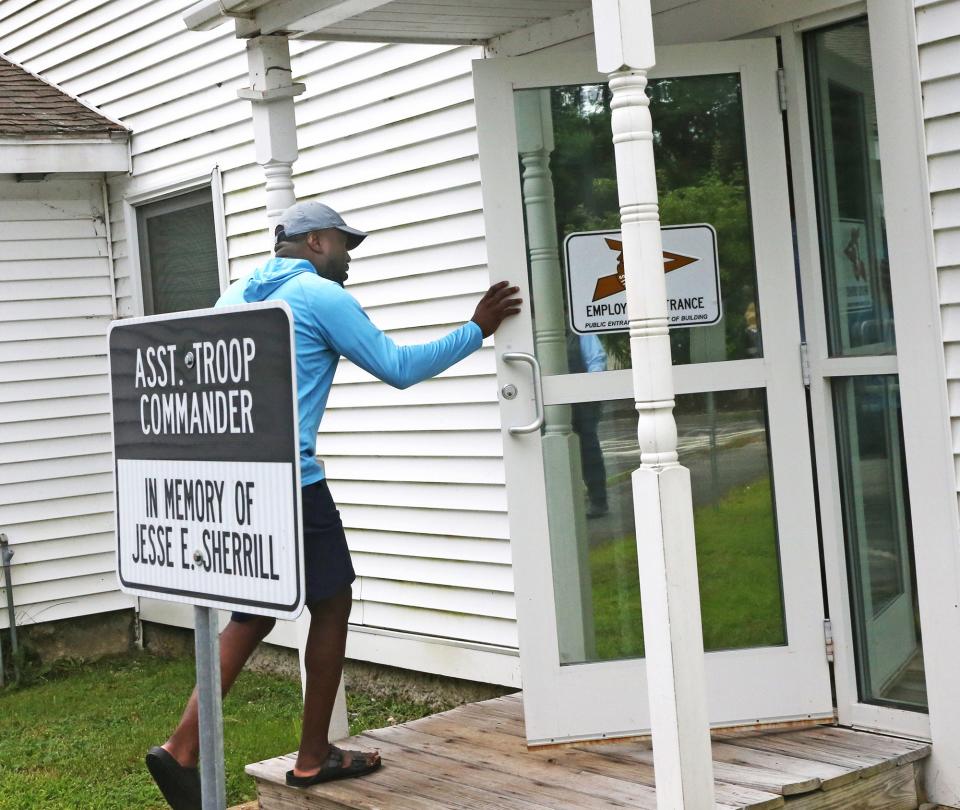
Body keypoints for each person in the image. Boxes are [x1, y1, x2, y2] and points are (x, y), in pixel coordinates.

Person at [145, 201, 521, 810]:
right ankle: (312, 758)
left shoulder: (236, 294)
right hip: (294, 480)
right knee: (333, 600)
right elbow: (398, 368)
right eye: (345, 245)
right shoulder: (321, 297)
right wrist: (476, 327)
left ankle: (182, 747)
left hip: (236, 483)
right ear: (316, 241)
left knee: (253, 615)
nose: (349, 258)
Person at [568, 333, 608, 518]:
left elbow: (596, 360)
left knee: (588, 451)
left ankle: (598, 502)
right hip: (548, 403)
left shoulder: (580, 331)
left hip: (582, 402)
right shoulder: (528, 329)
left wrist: (590, 391)